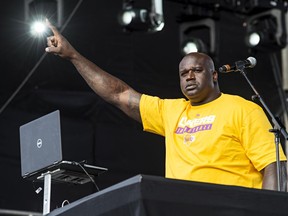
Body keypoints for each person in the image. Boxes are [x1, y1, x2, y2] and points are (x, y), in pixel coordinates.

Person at [45, 19, 287, 191]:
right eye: (183, 73)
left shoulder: (243, 109)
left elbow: (274, 165)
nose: (189, 76)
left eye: (197, 70)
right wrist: (73, 56)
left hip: (234, 208)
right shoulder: (171, 111)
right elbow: (119, 94)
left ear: (215, 75)